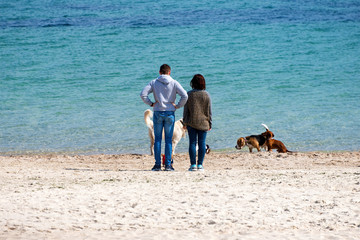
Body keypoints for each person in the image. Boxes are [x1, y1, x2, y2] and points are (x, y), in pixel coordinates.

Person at [140, 64, 188, 171]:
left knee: (157, 140)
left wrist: (151, 103)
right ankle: (168, 165)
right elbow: (185, 95)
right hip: (170, 113)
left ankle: (157, 165)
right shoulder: (174, 83)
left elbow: (143, 94)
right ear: (169, 72)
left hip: (157, 112)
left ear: (159, 72)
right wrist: (178, 105)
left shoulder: (154, 82)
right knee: (168, 141)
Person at [183, 74, 212, 171]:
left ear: (193, 83)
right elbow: (209, 111)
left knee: (192, 143)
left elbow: (186, 110)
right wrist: (210, 123)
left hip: (191, 122)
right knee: (202, 143)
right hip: (204, 122)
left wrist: (184, 122)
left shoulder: (189, 94)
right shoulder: (206, 94)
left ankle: (193, 165)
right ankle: (200, 165)